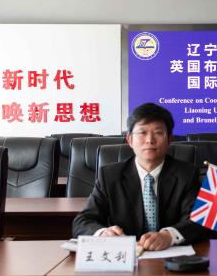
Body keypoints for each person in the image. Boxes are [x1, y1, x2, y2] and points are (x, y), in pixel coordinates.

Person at [72, 102, 206, 250]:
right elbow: (82, 221)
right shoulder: (109, 176)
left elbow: (199, 221)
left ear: (169, 140)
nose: (150, 140)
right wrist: (103, 233)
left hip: (170, 256)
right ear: (130, 140)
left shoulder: (187, 174)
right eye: (142, 132)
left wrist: (169, 236)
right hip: (123, 256)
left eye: (158, 133)